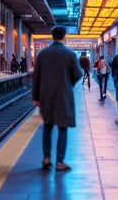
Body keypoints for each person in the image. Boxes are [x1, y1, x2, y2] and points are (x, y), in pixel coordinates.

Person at [32, 26, 83, 171]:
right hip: (63, 95)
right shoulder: (70, 54)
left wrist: (36, 97)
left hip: (45, 95)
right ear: (64, 36)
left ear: (52, 36)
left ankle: (46, 158)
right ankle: (60, 161)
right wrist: (69, 83)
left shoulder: (42, 54)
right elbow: (78, 74)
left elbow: (36, 77)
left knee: (47, 126)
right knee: (62, 127)